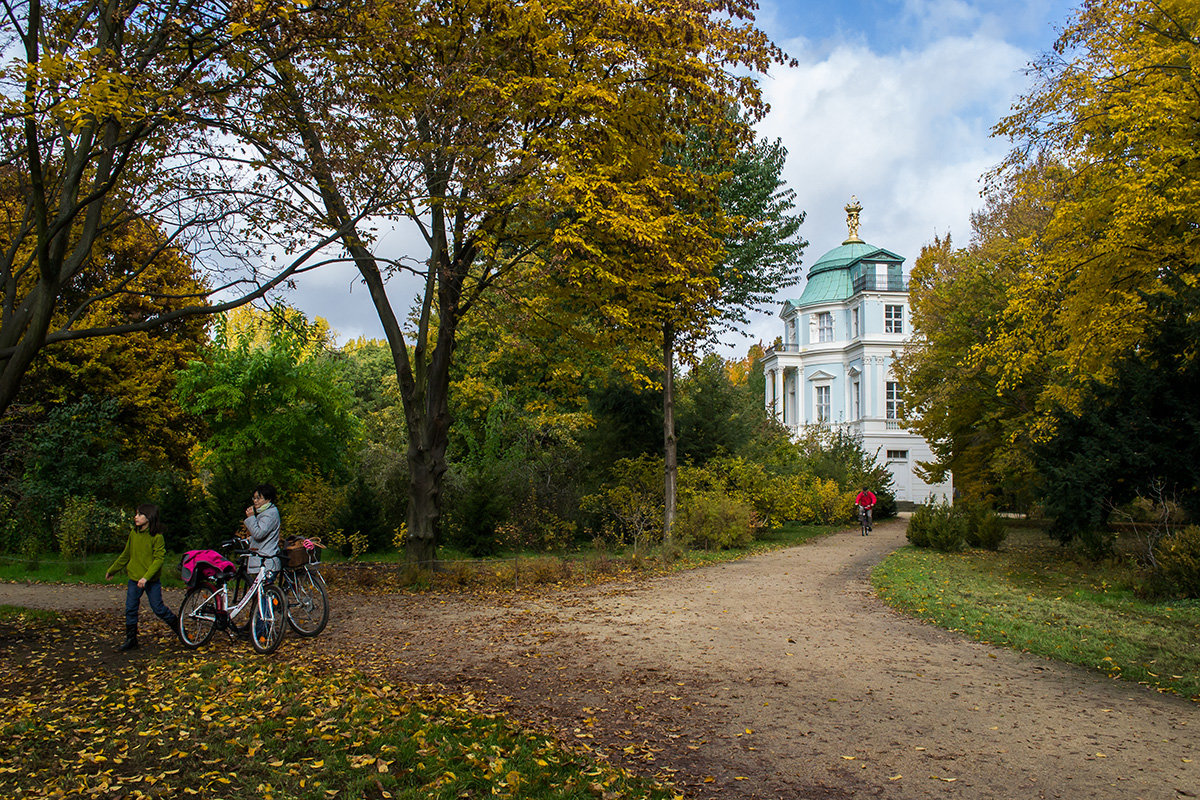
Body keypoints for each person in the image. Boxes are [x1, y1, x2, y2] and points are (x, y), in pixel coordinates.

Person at [105, 503, 179, 651]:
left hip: (150, 581)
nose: (136, 517)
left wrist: (146, 578)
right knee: (130, 608)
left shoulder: (157, 537)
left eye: (139, 514)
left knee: (158, 609)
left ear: (149, 517)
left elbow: (158, 559)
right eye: (136, 514)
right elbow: (126, 554)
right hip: (134, 579)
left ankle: (180, 629)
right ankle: (131, 640)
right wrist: (112, 570)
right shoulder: (134, 534)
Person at [243, 483, 282, 575]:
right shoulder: (266, 512)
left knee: (262, 588)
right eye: (254, 498)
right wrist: (251, 539)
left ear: (268, 499)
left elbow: (259, 534)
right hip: (264, 560)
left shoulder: (269, 514)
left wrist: (251, 518)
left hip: (265, 561)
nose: (255, 501)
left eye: (258, 498)